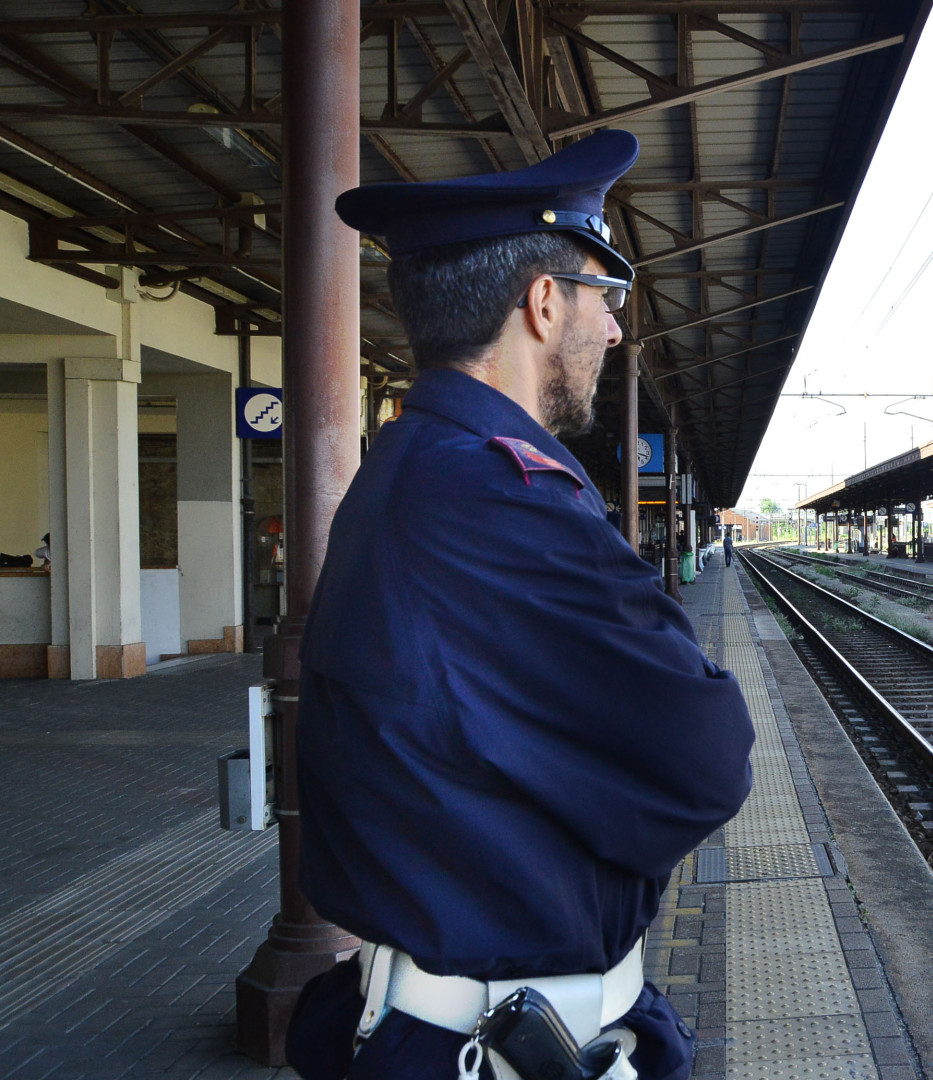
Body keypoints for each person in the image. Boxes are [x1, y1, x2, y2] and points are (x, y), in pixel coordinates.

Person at [284, 130, 754, 1080]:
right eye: (605, 297)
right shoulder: (499, 499)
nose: (615, 331)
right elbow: (708, 758)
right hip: (501, 1049)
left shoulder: (412, 472)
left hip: (456, 1025)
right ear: (545, 302)